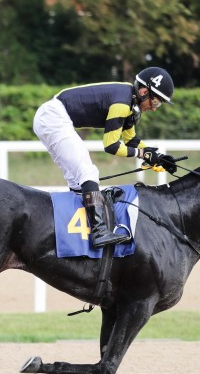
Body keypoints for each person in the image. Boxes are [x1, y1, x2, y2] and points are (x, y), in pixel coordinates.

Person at [33, 66, 178, 248]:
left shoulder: (130, 102)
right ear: (144, 92)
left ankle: (77, 233)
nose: (154, 108)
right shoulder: (122, 104)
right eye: (155, 102)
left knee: (77, 182)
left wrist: (158, 157)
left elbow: (131, 140)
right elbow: (111, 146)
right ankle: (99, 232)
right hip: (54, 118)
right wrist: (143, 154)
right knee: (88, 172)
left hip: (51, 117)